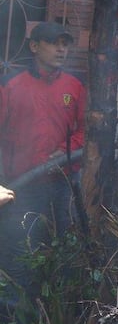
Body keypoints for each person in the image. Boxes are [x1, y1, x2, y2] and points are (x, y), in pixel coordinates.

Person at [0, 22, 86, 292]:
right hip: (21, 186)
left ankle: (57, 310)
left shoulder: (74, 87)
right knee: (19, 250)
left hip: (63, 185)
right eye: (53, 43)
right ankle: (17, 316)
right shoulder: (11, 86)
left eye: (65, 43)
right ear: (35, 46)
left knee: (63, 246)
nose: (61, 49)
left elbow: (85, 132)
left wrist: (67, 147)